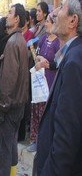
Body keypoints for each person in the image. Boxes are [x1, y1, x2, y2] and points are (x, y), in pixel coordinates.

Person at [37, 0, 82, 175]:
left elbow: (66, 141)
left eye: (61, 7)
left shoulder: (74, 63)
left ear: (73, 20)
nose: (54, 13)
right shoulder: (72, 56)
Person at [0, 3, 28, 176]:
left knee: (2, 154)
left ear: (16, 19)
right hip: (18, 107)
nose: (6, 15)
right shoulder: (20, 40)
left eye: (10, 12)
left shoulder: (13, 42)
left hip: (9, 109)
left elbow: (8, 81)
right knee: (11, 146)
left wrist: (1, 109)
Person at [27, 14, 60, 152]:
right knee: (36, 110)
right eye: (46, 22)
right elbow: (36, 56)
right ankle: (34, 139)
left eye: (48, 22)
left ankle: (42, 141)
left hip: (49, 83)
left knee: (45, 113)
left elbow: (58, 63)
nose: (46, 24)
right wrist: (38, 58)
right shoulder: (42, 39)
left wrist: (47, 65)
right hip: (38, 82)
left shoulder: (58, 42)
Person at [18, 10, 35, 141]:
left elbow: (30, 53)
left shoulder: (31, 35)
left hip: (25, 70)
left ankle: (22, 131)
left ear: (28, 21)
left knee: (24, 100)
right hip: (15, 70)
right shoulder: (18, 33)